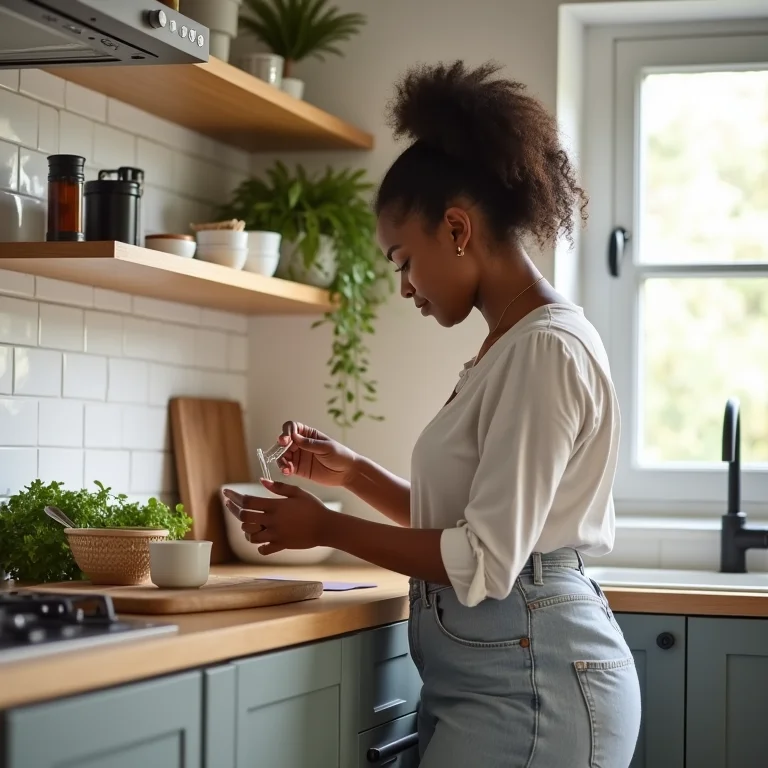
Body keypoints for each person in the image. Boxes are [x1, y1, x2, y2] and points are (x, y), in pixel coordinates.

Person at [224, 60, 641, 767]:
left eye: (400, 259)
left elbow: (482, 558)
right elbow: (479, 528)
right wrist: (351, 474)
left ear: (455, 229)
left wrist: (323, 525)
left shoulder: (544, 352)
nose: (404, 286)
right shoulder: (508, 348)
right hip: (502, 677)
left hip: (534, 688)